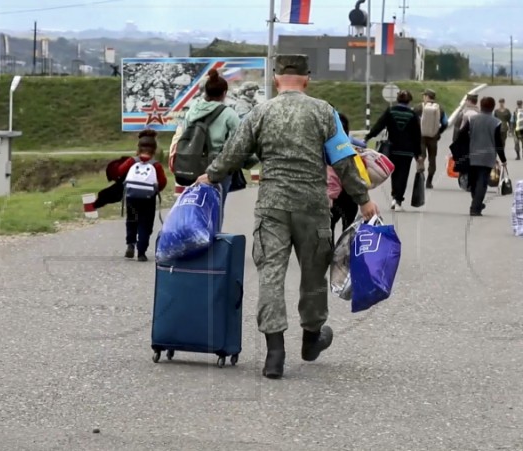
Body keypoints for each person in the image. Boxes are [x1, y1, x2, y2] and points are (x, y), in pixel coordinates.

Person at [195, 54, 378, 380]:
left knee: (271, 275)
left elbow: (233, 154)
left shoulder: (260, 112)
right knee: (312, 276)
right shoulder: (324, 112)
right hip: (313, 208)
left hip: (272, 208)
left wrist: (209, 177)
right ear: (306, 79)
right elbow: (343, 159)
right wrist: (364, 200)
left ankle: (274, 354)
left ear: (276, 80)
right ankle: (311, 339)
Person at [173, 68, 241, 224]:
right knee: (216, 209)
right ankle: (213, 243)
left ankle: (194, 238)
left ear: (205, 92)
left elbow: (184, 133)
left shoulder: (192, 110)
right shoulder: (229, 114)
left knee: (195, 206)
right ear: (224, 93)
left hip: (193, 164)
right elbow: (238, 141)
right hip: (217, 166)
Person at [365, 90, 424, 211]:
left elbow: (379, 125)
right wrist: (418, 154)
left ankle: (394, 197)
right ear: (409, 101)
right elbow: (416, 136)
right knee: (403, 175)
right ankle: (398, 200)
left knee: (394, 174)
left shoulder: (390, 111)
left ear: (398, 99)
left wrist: (368, 137)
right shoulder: (412, 115)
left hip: (392, 149)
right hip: (406, 151)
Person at [114, 130, 168, 261]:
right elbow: (162, 182)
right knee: (145, 224)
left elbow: (119, 172)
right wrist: (154, 190)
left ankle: (130, 244)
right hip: (148, 199)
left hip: (132, 197)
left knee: (132, 220)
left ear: (138, 147)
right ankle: (142, 252)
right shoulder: (156, 165)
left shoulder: (131, 161)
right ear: (154, 149)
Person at [460, 97, 507, 216]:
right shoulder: (496, 122)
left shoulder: (472, 119)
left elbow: (462, 134)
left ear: (481, 106)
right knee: (482, 182)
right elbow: (498, 143)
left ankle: (476, 204)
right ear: (492, 107)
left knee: (473, 182)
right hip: (487, 157)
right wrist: (503, 160)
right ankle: (476, 207)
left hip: (472, 155)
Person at [327, 112, 359, 239]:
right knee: (348, 229)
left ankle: (330, 256)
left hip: (330, 195)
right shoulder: (351, 146)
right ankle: (345, 255)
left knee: (329, 228)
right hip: (349, 194)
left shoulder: (323, 146)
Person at [414, 89, 448, 189]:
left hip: (421, 137)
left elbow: (412, 121)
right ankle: (429, 181)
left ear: (427, 97)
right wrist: (438, 132)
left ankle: (420, 173)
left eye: (424, 96)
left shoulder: (418, 107)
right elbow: (445, 123)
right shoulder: (440, 108)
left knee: (421, 157)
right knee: (432, 159)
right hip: (433, 138)